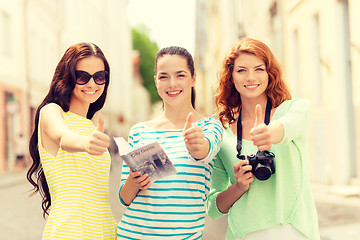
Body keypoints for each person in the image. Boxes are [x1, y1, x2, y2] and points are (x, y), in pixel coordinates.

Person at [206, 38, 320, 240]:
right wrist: (238, 186)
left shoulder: (295, 109)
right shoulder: (221, 134)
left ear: (270, 73)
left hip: (292, 231)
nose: (251, 77)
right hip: (243, 233)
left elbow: (287, 127)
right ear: (231, 77)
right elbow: (215, 207)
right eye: (241, 70)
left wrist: (269, 134)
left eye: (259, 69)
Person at [116, 46, 224, 239]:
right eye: (164, 76)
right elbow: (124, 198)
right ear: (156, 81)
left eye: (180, 75)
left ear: (193, 78)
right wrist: (134, 181)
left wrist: (197, 145)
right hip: (132, 235)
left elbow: (204, 151)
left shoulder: (209, 127)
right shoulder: (139, 131)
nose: (172, 83)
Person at [27, 42, 117, 239]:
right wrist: (85, 144)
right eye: (82, 76)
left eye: (100, 77)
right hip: (70, 231)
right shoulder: (51, 112)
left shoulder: (91, 126)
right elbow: (63, 137)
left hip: (106, 231)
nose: (92, 84)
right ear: (67, 77)